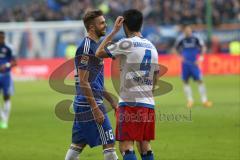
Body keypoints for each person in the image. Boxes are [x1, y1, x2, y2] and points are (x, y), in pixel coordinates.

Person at [96, 9, 159, 160]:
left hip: (130, 103)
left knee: (126, 145)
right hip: (148, 103)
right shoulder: (152, 46)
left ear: (124, 25)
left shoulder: (126, 43)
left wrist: (113, 31)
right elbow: (155, 78)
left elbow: (98, 52)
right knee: (144, 145)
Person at [64, 10, 118, 160]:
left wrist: (112, 101)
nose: (105, 24)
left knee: (77, 145)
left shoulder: (94, 46)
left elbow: (96, 82)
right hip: (89, 105)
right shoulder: (86, 48)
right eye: (101, 23)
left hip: (85, 102)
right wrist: (95, 108)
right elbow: (83, 81)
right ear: (92, 27)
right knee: (109, 144)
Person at [174, 25, 212, 108]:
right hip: (185, 64)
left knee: (200, 80)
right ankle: (190, 100)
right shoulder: (181, 39)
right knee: (185, 81)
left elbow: (203, 47)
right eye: (186, 30)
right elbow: (175, 49)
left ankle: (204, 100)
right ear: (184, 31)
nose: (187, 32)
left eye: (189, 30)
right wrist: (180, 57)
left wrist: (200, 58)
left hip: (194, 63)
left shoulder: (196, 38)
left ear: (191, 31)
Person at [0, 31, 17, 129]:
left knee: (6, 97)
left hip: (6, 75)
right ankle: (2, 117)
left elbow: (15, 62)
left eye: (2, 37)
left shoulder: (9, 48)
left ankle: (5, 121)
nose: (1, 39)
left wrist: (6, 65)